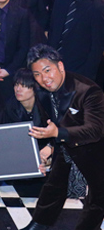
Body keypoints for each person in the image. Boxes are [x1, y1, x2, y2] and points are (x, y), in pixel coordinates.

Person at [23, 44, 104, 230]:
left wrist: (57, 134)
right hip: (66, 146)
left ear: (60, 66)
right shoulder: (41, 91)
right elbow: (49, 124)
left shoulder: (88, 91)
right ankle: (39, 225)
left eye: (47, 70)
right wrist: (49, 149)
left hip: (97, 149)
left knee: (98, 197)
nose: (44, 78)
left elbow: (95, 130)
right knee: (53, 186)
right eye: (37, 74)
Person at [47, 0, 104, 81]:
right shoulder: (61, 0)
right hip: (54, 65)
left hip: (79, 70)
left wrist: (86, 75)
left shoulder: (97, 6)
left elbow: (97, 47)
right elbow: (53, 32)